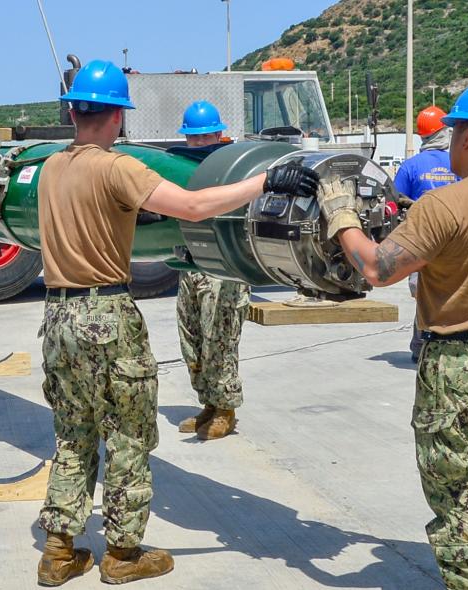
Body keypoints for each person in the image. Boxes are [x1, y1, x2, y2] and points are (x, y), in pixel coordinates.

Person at [35, 59, 319, 586]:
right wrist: (264, 181)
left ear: (73, 110)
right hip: (106, 315)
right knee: (127, 433)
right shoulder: (119, 168)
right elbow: (191, 207)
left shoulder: (52, 167)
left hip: (56, 316)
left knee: (72, 433)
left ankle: (58, 550)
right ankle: (122, 554)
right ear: (119, 118)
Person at [319, 78, 468, 590]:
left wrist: (342, 220)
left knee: (456, 480)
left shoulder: (445, 206)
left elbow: (378, 269)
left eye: (453, 132)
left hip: (458, 359)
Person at [167, 101, 250, 440]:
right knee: (192, 339)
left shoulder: (234, 168)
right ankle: (209, 403)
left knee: (220, 338)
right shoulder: (183, 167)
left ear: (219, 133)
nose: (200, 143)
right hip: (192, 265)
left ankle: (226, 408)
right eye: (194, 138)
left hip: (224, 269)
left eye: (205, 137)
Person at [395, 105, 460, 362]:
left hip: (420, 244)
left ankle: (421, 344)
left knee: (424, 295)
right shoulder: (460, 164)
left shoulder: (410, 166)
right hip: (456, 242)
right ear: (445, 132)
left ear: (422, 136)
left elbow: (393, 202)